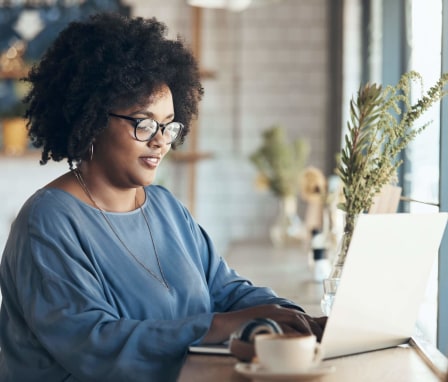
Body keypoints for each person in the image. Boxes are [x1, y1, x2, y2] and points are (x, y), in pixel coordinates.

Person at [0, 12, 326, 382]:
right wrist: (224, 324)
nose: (160, 140)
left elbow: (225, 290)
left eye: (169, 125)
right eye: (143, 122)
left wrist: (299, 318)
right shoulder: (48, 221)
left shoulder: (166, 208)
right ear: (90, 120)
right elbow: (95, 344)